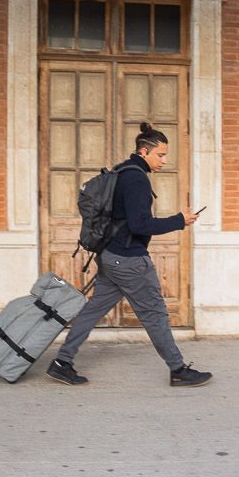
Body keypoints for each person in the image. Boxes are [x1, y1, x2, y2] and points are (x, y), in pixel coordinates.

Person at [47, 122, 213, 388]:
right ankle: (178, 370)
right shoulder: (136, 179)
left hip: (111, 255)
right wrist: (179, 220)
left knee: (92, 311)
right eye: (160, 155)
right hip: (129, 260)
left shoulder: (122, 171)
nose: (164, 160)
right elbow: (140, 225)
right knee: (155, 314)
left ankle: (61, 363)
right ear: (144, 151)